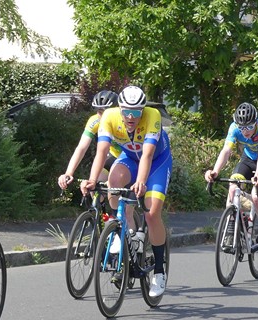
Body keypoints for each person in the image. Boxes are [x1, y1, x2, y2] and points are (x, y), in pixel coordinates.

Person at [80, 85, 172, 296]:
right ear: (119, 108)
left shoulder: (152, 115)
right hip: (129, 159)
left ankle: (159, 271)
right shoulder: (109, 116)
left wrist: (140, 182)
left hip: (157, 163)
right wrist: (92, 180)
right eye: (127, 111)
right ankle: (121, 228)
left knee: (152, 214)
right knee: (113, 183)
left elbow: (147, 155)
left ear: (143, 109)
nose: (131, 117)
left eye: (136, 112)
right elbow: (101, 152)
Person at [204, 102, 258, 254]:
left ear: (256, 122)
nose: (245, 131)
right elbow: (226, 150)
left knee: (257, 196)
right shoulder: (234, 128)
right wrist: (215, 171)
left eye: (249, 127)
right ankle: (232, 226)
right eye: (242, 127)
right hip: (247, 160)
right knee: (233, 187)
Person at [57, 90, 120, 189]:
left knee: (117, 182)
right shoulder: (94, 121)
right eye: (100, 112)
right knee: (95, 184)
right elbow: (81, 148)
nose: (103, 117)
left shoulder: (126, 122)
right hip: (113, 156)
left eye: (107, 112)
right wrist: (69, 172)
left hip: (131, 158)